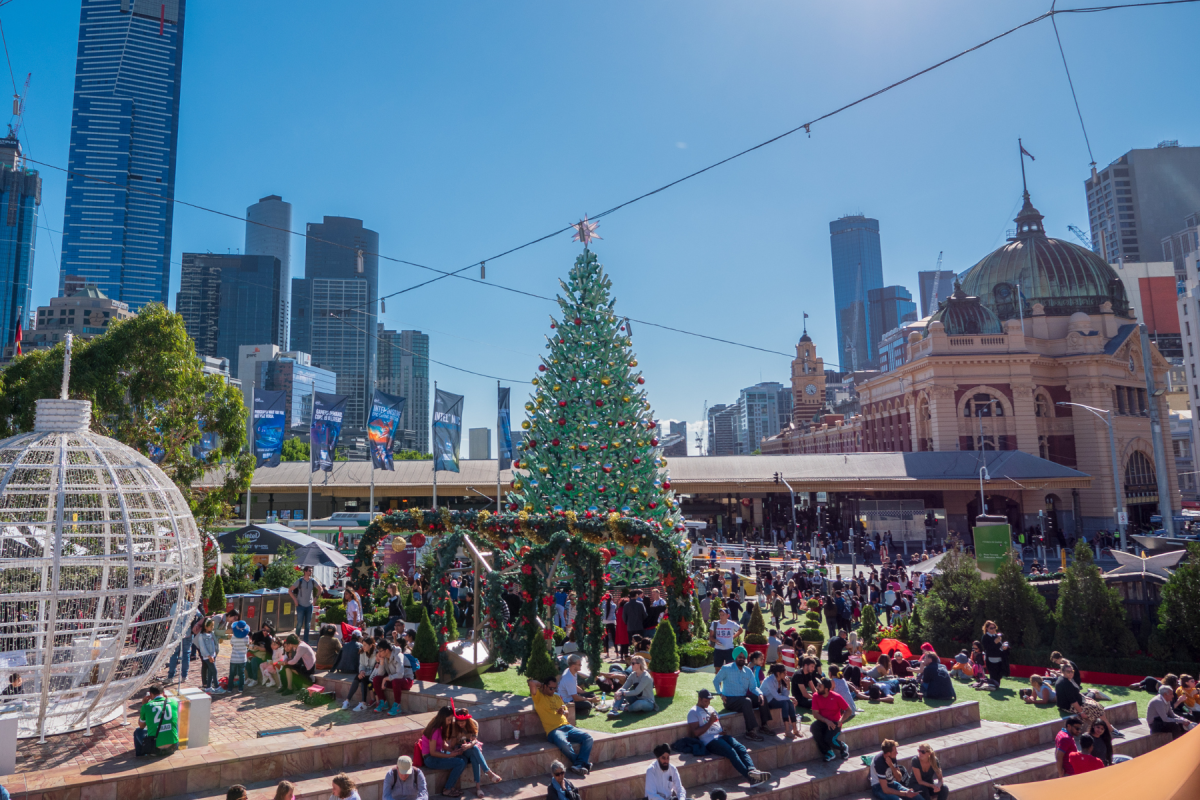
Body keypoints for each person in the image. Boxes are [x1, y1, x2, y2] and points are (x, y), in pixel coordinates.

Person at [687, 689, 769, 786]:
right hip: (709, 741)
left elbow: (717, 723)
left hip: (721, 736)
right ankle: (750, 778)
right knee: (731, 752)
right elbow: (696, 733)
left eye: (709, 701)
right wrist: (710, 722)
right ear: (699, 699)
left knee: (741, 748)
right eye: (706, 701)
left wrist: (722, 730)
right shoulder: (693, 712)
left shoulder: (711, 708)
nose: (708, 703)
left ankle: (752, 770)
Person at [528, 676, 594, 776]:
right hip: (553, 730)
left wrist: (563, 711)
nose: (553, 691)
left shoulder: (557, 697)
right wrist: (542, 686)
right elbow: (532, 682)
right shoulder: (539, 697)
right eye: (551, 688)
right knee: (564, 744)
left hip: (567, 726)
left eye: (555, 688)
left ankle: (580, 764)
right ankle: (582, 763)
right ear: (545, 686)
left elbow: (566, 711)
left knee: (588, 738)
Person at [713, 646, 770, 741]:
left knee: (762, 697)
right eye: (740, 657)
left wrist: (759, 694)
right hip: (730, 700)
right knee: (746, 701)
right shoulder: (726, 668)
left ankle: (764, 726)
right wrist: (720, 694)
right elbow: (716, 681)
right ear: (735, 657)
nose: (742, 659)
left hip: (742, 698)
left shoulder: (748, 671)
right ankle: (750, 732)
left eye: (744, 657)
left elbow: (753, 687)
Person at [448, 706, 503, 797]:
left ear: (467, 720)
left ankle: (478, 788)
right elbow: (452, 745)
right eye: (459, 722)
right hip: (460, 750)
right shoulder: (454, 726)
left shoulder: (474, 724)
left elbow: (474, 741)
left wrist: (469, 745)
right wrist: (456, 750)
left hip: (471, 748)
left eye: (463, 722)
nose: (460, 724)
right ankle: (489, 773)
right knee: (475, 750)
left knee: (474, 755)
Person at [419, 707, 467, 797]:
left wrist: (453, 751)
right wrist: (451, 755)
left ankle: (451, 787)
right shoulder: (435, 730)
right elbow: (432, 752)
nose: (450, 722)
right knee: (460, 763)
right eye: (449, 719)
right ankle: (448, 789)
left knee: (463, 758)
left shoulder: (440, 728)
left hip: (436, 756)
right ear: (443, 718)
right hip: (430, 759)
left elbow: (443, 744)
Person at [1054, 663, 1113, 730]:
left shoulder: (1065, 679)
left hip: (1074, 701)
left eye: (1072, 671)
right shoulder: (1066, 683)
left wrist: (1084, 697)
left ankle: (1107, 728)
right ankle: (1110, 729)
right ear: (1063, 672)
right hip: (1068, 706)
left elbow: (1075, 693)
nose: (1071, 673)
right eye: (1068, 672)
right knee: (1096, 708)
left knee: (1096, 705)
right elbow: (1072, 700)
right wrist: (1081, 712)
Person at [811, 678, 852, 762]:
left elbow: (849, 710)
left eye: (819, 686)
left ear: (826, 689)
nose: (817, 687)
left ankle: (843, 747)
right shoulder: (815, 696)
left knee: (829, 739)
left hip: (835, 723)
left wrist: (841, 720)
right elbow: (815, 714)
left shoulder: (836, 697)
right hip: (823, 721)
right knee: (814, 727)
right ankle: (828, 752)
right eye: (817, 685)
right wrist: (826, 721)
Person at [134, 685, 179, 758]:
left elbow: (141, 726)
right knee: (174, 724)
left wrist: (143, 705)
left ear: (150, 694)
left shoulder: (146, 706)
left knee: (138, 731)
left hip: (155, 749)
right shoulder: (174, 702)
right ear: (163, 693)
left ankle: (140, 757)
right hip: (173, 747)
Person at [761, 664, 799, 738]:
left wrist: (788, 685)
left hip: (775, 699)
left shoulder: (781, 680)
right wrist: (790, 698)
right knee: (785, 703)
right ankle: (787, 730)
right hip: (767, 701)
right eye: (784, 673)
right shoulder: (769, 680)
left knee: (790, 703)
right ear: (778, 673)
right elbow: (777, 697)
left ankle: (795, 729)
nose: (786, 674)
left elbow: (785, 695)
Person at [289, 566, 323, 643]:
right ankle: (296, 639)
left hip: (309, 605)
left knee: (307, 625)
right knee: (299, 624)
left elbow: (320, 589)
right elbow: (290, 590)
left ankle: (306, 641)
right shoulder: (300, 581)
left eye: (311, 571)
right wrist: (295, 600)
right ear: (305, 571)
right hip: (300, 605)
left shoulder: (312, 581)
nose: (310, 572)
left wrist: (315, 598)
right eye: (309, 571)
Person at [344, 636, 376, 711]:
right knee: (358, 677)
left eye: (365, 645)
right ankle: (347, 700)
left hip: (373, 674)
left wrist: (364, 673)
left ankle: (363, 703)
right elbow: (361, 664)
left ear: (371, 645)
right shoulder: (362, 652)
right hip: (365, 672)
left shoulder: (376, 653)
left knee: (363, 678)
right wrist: (361, 671)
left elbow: (375, 669)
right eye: (362, 644)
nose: (363, 647)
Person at [196, 618, 222, 694]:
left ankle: (208, 687)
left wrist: (215, 653)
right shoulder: (201, 636)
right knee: (214, 670)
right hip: (207, 657)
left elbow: (215, 644)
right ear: (205, 627)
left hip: (213, 655)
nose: (212, 627)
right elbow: (203, 647)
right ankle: (217, 687)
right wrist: (208, 656)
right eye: (210, 626)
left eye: (212, 626)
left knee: (210, 671)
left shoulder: (211, 634)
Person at [709, 607, 740, 671]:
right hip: (718, 650)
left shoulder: (731, 624)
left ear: (727, 616)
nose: (721, 616)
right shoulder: (714, 624)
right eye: (720, 614)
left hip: (729, 649)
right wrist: (715, 640)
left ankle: (728, 681)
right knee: (717, 669)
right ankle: (719, 681)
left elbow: (740, 630)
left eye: (723, 615)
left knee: (730, 669)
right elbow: (710, 636)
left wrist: (734, 636)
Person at [979, 621, 1008, 686]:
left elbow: (999, 647)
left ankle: (996, 686)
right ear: (987, 628)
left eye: (994, 627)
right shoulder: (985, 637)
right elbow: (987, 648)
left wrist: (1004, 648)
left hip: (999, 658)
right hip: (991, 659)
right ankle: (993, 686)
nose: (993, 629)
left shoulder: (997, 636)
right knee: (993, 675)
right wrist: (994, 642)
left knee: (999, 675)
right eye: (991, 628)